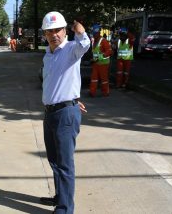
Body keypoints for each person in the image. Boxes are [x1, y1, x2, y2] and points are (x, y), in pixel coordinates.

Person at [39, 11, 90, 214]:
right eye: (50, 31)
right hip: (50, 113)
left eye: (58, 30)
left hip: (64, 115)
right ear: (44, 33)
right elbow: (55, 83)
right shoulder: (48, 55)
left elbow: (85, 45)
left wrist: (81, 32)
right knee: (54, 160)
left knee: (65, 164)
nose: (54, 34)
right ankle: (60, 197)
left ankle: (65, 209)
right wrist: (74, 97)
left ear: (65, 30)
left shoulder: (71, 49)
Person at [89, 25, 113, 97]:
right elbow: (94, 53)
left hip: (103, 64)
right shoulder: (94, 41)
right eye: (93, 33)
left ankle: (105, 92)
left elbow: (109, 52)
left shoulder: (104, 41)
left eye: (95, 33)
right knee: (94, 79)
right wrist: (92, 59)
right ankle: (92, 92)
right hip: (95, 64)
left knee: (104, 79)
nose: (94, 35)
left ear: (98, 33)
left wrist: (99, 58)